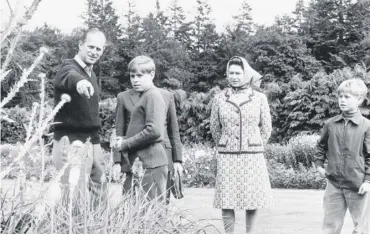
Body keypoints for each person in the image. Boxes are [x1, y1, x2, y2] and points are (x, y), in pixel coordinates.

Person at [210, 56, 273, 234]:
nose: (234, 77)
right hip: (227, 154)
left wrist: (253, 143)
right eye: (231, 73)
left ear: (246, 74)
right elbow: (214, 127)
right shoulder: (220, 99)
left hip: (252, 154)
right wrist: (225, 143)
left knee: (252, 198)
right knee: (226, 199)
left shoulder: (259, 98)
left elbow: (266, 128)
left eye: (238, 73)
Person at [112, 58, 183, 205]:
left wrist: (177, 160)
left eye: (140, 76)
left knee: (153, 211)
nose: (135, 80)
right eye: (132, 76)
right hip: (134, 159)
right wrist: (117, 160)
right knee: (132, 208)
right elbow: (120, 129)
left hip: (153, 158)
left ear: (152, 74)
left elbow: (161, 130)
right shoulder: (127, 96)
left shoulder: (155, 95)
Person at [52, 28, 107, 207]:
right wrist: (80, 82)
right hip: (70, 140)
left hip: (91, 140)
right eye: (91, 46)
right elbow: (70, 76)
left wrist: (96, 145)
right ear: (80, 45)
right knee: (75, 198)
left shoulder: (91, 74)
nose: (94, 52)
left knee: (99, 188)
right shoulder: (68, 67)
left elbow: (90, 115)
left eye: (99, 49)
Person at [314, 78, 370, 234]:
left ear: (359, 99)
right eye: (340, 96)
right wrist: (319, 165)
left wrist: (367, 180)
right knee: (330, 228)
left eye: (347, 97)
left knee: (362, 229)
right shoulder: (330, 124)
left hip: (358, 185)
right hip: (334, 184)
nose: (342, 100)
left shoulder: (366, 126)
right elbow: (321, 146)